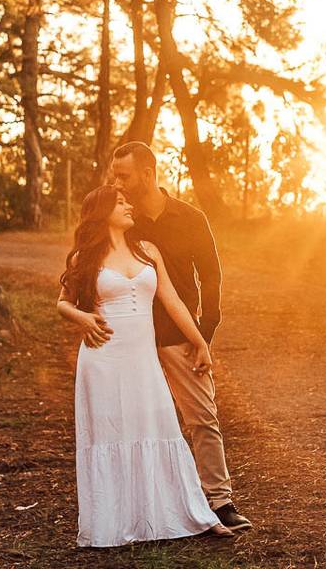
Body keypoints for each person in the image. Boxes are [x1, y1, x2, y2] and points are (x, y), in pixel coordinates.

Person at [57, 185, 233, 545]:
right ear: (101, 211)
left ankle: (188, 512)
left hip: (142, 358)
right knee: (112, 432)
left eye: (127, 201)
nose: (128, 206)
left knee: (159, 426)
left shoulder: (147, 251)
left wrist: (201, 342)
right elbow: (62, 302)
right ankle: (114, 522)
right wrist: (83, 319)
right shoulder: (83, 258)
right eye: (120, 203)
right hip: (103, 357)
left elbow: (173, 301)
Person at [102, 141, 252, 532]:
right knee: (138, 421)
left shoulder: (189, 217)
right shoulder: (119, 219)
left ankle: (219, 501)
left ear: (148, 174)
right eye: (115, 175)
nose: (117, 182)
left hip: (178, 334)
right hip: (130, 338)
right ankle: (145, 503)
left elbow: (212, 273)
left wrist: (207, 328)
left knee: (201, 416)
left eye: (124, 175)